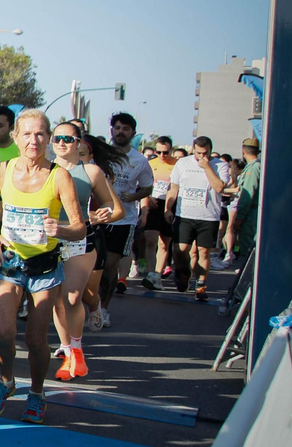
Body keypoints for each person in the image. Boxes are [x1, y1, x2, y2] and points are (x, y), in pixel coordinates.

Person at [0, 109, 87, 425]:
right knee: (2, 333)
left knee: (36, 339)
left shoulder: (59, 176)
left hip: (44, 267)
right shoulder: (6, 168)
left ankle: (37, 393)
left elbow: (80, 227)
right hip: (9, 262)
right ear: (16, 137)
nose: (33, 140)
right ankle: (6, 380)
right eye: (27, 134)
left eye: (40, 134)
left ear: (49, 138)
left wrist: (62, 230)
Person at [46, 122, 123, 380]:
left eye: (68, 139)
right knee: (57, 302)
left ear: (79, 143)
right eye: (57, 138)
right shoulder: (43, 169)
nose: (62, 143)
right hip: (50, 240)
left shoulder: (90, 171)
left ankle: (77, 350)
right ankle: (67, 352)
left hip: (82, 239)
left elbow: (116, 208)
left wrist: (102, 216)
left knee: (72, 297)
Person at [94, 113, 153, 326]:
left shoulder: (139, 160)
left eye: (125, 129)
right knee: (92, 269)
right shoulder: (99, 155)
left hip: (123, 221)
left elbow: (148, 186)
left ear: (132, 133)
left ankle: (103, 309)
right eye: (117, 128)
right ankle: (91, 306)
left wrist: (135, 196)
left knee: (110, 267)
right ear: (112, 130)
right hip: (96, 218)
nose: (120, 132)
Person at [166, 135, 231, 302]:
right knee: (180, 250)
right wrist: (168, 208)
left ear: (210, 150)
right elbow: (174, 188)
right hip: (185, 215)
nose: (201, 156)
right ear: (193, 150)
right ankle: (183, 272)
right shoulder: (183, 163)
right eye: (198, 153)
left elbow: (219, 187)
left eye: (205, 153)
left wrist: (207, 167)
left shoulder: (220, 165)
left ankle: (201, 284)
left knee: (203, 252)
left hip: (208, 216)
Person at [143, 136, 178, 288]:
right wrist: (148, 196)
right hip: (153, 203)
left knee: (164, 243)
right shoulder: (150, 164)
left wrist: (169, 208)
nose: (162, 155)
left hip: (170, 205)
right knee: (150, 239)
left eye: (165, 152)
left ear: (171, 150)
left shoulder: (177, 165)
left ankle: (157, 274)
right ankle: (151, 274)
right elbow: (143, 184)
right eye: (159, 152)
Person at [228, 137, 261, 262]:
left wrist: (239, 218)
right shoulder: (258, 166)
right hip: (253, 212)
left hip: (250, 214)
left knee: (248, 250)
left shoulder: (253, 168)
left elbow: (247, 196)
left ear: (243, 151)